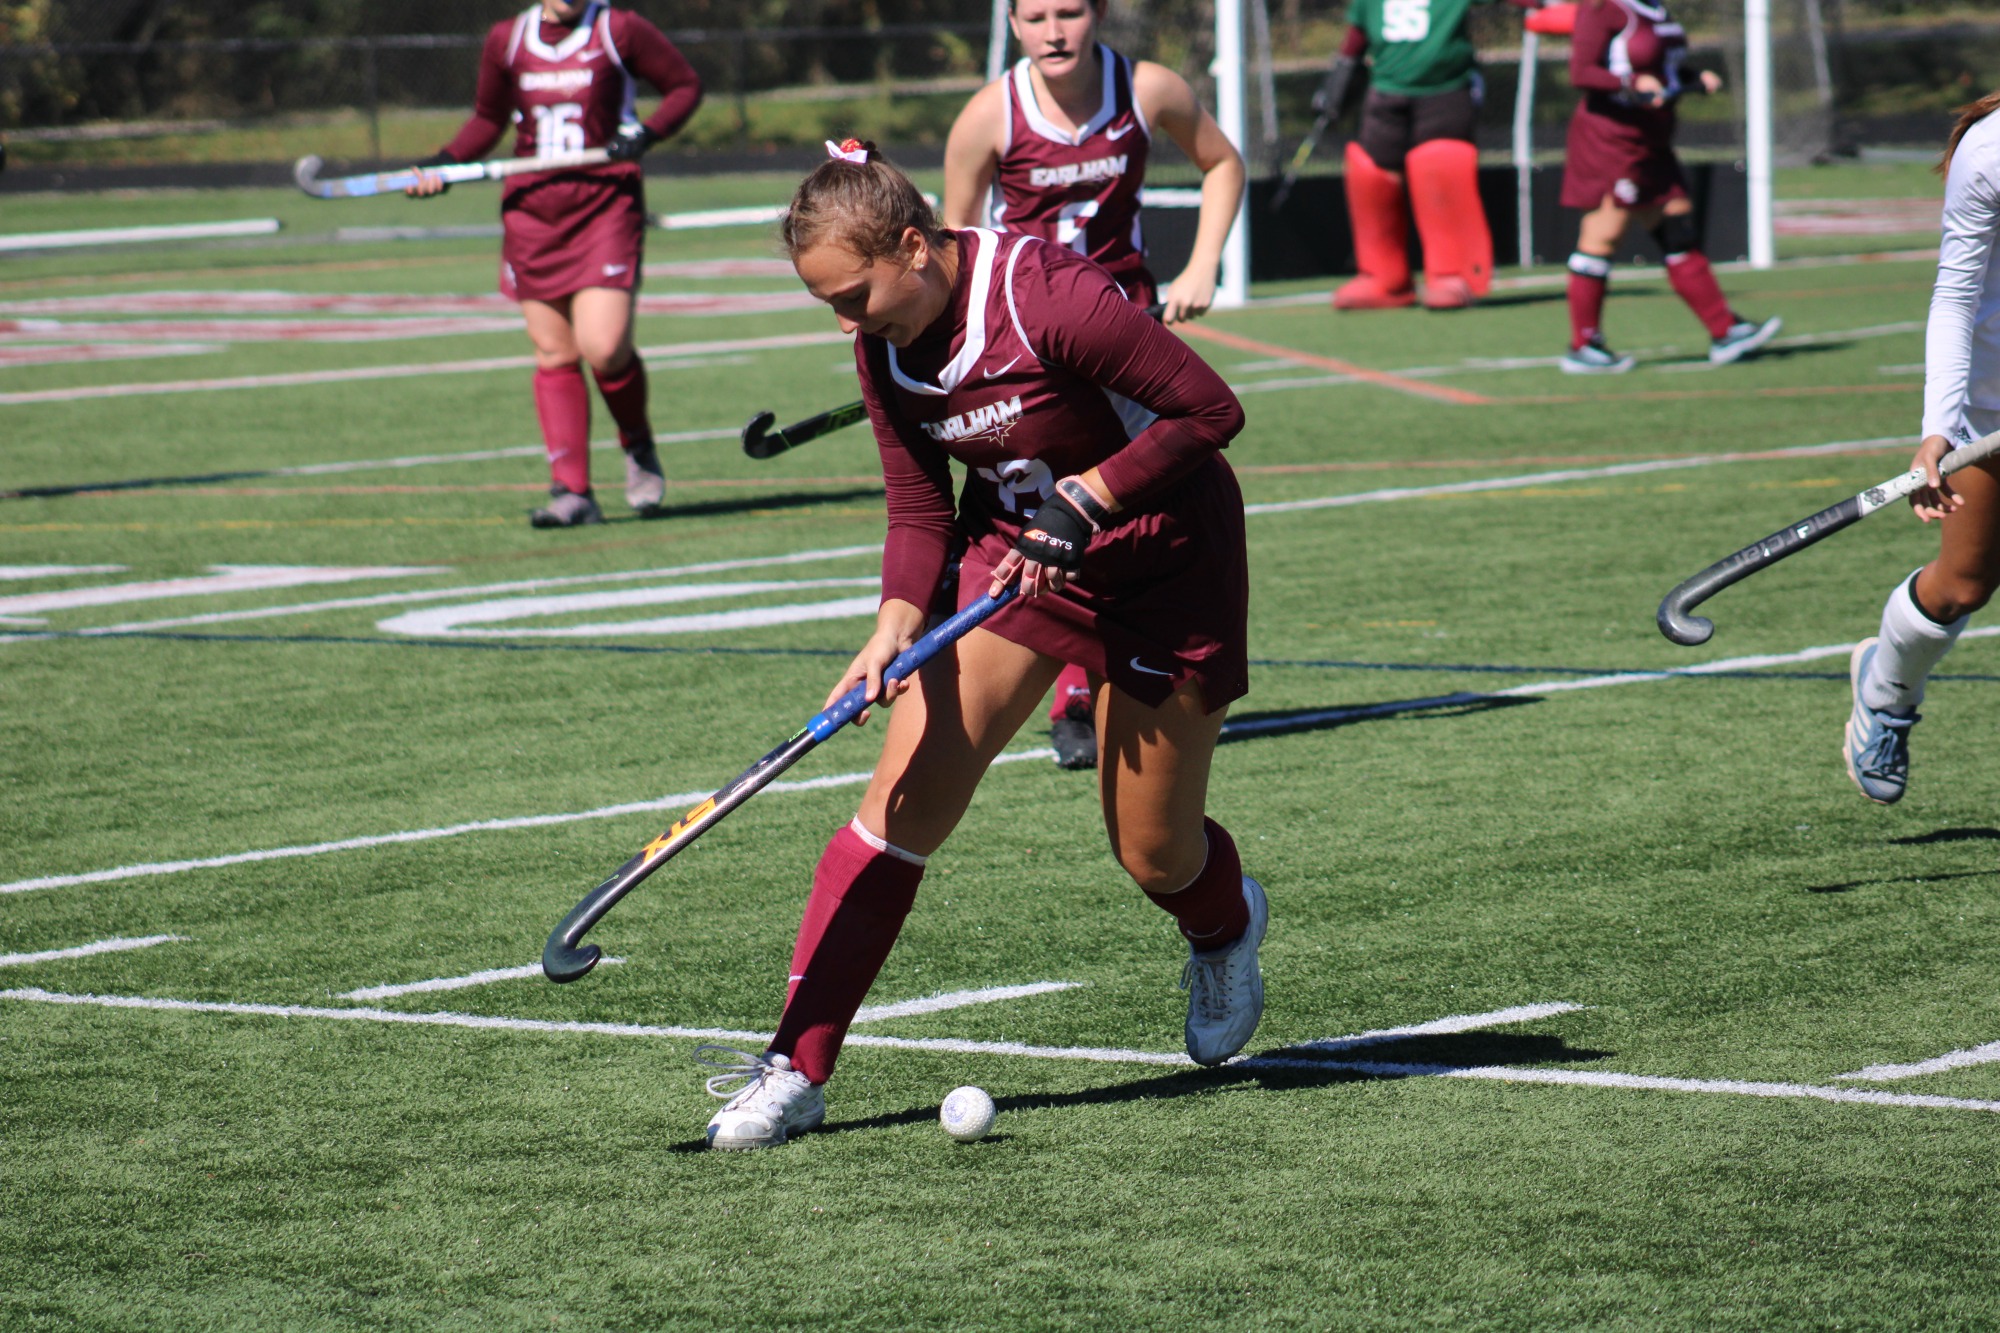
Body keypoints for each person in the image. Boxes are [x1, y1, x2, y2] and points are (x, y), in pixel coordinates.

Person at [697, 142, 1266, 1151]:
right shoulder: (883, 342)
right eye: (825, 301)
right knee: (897, 807)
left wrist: (1087, 496)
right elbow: (918, 503)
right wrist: (891, 621)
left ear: (912, 247)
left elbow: (1208, 410)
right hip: (1014, 563)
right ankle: (796, 1063)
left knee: (1152, 852)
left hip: (1164, 562)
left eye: (852, 294)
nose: (843, 321)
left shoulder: (1049, 296)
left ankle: (1223, 927)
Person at [942, 0, 1246, 770]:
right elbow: (954, 246)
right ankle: (1069, 685)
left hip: (1122, 342)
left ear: (1098, 13)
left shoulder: (1148, 89)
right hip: (1031, 354)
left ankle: (1111, 677)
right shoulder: (988, 117)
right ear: (1011, 24)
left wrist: (1204, 262)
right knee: (1050, 503)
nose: (1054, 30)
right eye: (1035, 15)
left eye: (1070, 11)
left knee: (1126, 502)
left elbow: (1223, 162)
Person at [408, 0, 702, 527]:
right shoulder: (508, 38)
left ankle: (637, 445)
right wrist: (445, 164)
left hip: (604, 203)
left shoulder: (618, 29)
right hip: (533, 212)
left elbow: (684, 87)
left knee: (605, 347)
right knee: (554, 352)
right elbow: (488, 118)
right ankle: (572, 492)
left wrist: (647, 133)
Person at [1844, 92, 2000, 805]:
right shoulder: (1990, 148)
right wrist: (1937, 426)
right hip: (1994, 407)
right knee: (1963, 585)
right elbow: (1957, 291)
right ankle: (1887, 689)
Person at [1558, 0, 1778, 374]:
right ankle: (1584, 345)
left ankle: (1726, 330)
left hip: (1651, 141)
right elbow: (1582, 72)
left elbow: (1658, 67)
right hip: (1612, 140)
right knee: (1602, 235)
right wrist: (1629, 83)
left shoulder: (1654, 8)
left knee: (1677, 228)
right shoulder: (1604, 8)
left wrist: (1692, 78)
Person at [1332, 0, 1507, 311]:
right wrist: (1340, 75)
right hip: (1385, 88)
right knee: (1373, 174)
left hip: (1445, 88)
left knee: (1440, 166)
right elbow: (1357, 33)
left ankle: (1451, 273)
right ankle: (1383, 276)